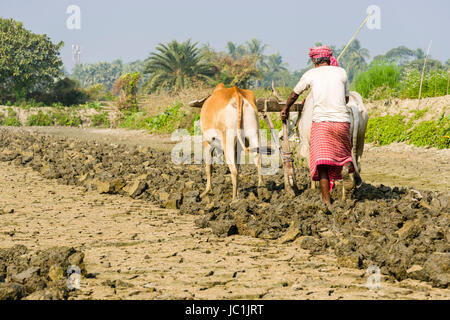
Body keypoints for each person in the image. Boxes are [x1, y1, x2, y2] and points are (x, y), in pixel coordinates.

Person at [280, 45, 360, 207]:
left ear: (314, 61)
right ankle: (346, 166)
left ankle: (327, 201)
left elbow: (295, 94)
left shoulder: (311, 74)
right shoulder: (341, 72)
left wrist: (285, 108)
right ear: (329, 59)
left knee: (321, 164)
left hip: (321, 124)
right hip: (342, 123)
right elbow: (345, 100)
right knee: (344, 155)